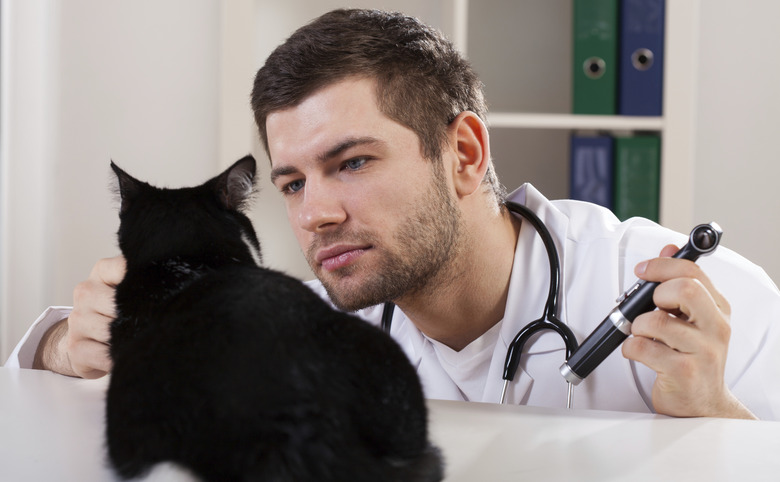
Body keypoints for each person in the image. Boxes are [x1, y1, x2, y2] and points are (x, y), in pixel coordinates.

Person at [6, 9, 780, 420]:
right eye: (293, 183)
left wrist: (717, 427)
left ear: (465, 155)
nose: (315, 215)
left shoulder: (683, 301)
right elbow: (58, 366)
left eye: (352, 162)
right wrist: (65, 348)